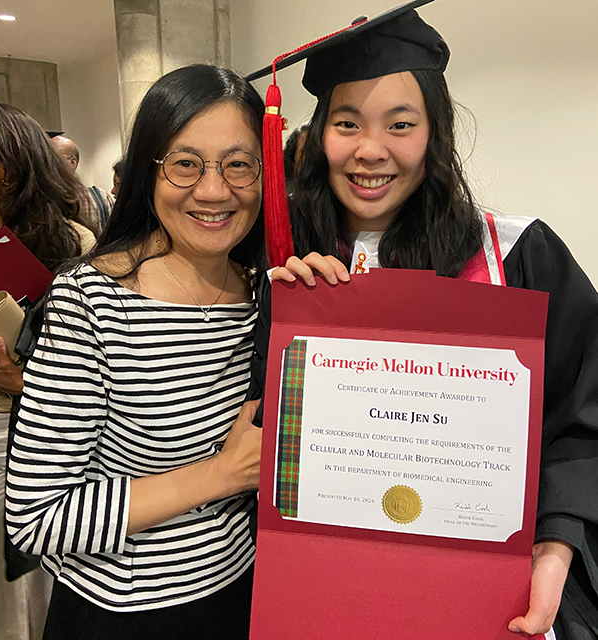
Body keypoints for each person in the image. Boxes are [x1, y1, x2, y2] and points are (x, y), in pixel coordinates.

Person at [247, 4, 598, 639]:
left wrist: (557, 544)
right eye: (346, 123)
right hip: (326, 594)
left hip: (486, 599)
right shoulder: (282, 269)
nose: (370, 150)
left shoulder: (517, 254)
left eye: (400, 124)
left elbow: (585, 415)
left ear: (435, 132)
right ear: (319, 131)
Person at [6, 64, 267, 640]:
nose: (214, 189)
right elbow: (34, 520)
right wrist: (220, 474)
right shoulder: (93, 300)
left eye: (239, 163)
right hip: (127, 613)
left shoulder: (262, 293)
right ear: (149, 170)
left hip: (246, 593)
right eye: (185, 162)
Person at [0, 101, 95, 640]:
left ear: (7, 164)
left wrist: (19, 382)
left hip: (33, 432)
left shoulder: (72, 244)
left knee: (29, 587)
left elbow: (104, 375)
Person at [51, 134, 115, 231]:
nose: (47, 163)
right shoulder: (40, 200)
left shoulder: (102, 199)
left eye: (53, 158)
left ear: (73, 163)